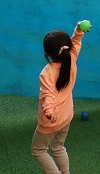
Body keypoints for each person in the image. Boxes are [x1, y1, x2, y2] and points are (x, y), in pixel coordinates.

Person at [32, 23, 88, 173]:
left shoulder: (47, 72)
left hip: (51, 120)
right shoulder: (72, 58)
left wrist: (49, 111)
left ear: (46, 53)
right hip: (66, 116)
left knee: (38, 150)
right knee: (58, 147)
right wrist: (79, 30)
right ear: (68, 47)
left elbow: (47, 94)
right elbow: (76, 42)